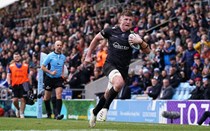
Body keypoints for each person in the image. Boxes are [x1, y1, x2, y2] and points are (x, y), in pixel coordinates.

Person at [84, 10, 150, 127]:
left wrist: (141, 42)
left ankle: (94, 112)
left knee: (108, 93)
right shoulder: (110, 31)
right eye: (125, 19)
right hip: (110, 65)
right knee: (119, 83)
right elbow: (96, 39)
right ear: (120, 20)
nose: (128, 22)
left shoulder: (133, 37)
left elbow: (148, 51)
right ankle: (105, 108)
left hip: (123, 69)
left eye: (130, 20)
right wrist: (88, 55)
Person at [41, 40, 66, 120]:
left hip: (58, 79)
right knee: (46, 97)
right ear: (54, 47)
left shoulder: (63, 57)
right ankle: (49, 113)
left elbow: (62, 66)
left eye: (60, 45)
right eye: (57, 45)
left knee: (59, 94)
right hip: (49, 78)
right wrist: (50, 72)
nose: (59, 46)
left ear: (62, 46)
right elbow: (43, 67)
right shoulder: (50, 56)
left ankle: (58, 114)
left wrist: (62, 74)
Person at [6, 52, 32, 118]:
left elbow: (29, 76)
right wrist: (9, 83)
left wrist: (30, 84)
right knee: (15, 100)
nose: (16, 58)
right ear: (13, 58)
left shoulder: (26, 66)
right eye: (15, 57)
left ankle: (22, 113)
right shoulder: (11, 66)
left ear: (20, 57)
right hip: (15, 85)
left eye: (17, 57)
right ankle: (18, 109)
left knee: (23, 99)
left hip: (24, 84)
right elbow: (8, 75)